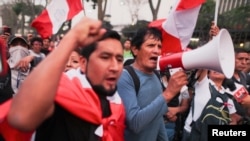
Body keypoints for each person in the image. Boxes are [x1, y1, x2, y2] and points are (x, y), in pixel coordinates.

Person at [7, 17, 125, 141]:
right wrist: (72, 38)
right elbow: (21, 117)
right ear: (83, 63)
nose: (115, 67)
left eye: (119, 59)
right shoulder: (57, 93)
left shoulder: (116, 105)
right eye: (105, 57)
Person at [117, 27, 188, 141]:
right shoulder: (125, 77)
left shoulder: (156, 75)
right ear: (135, 49)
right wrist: (168, 94)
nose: (157, 51)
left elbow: (157, 118)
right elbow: (135, 124)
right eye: (150, 45)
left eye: (159, 46)